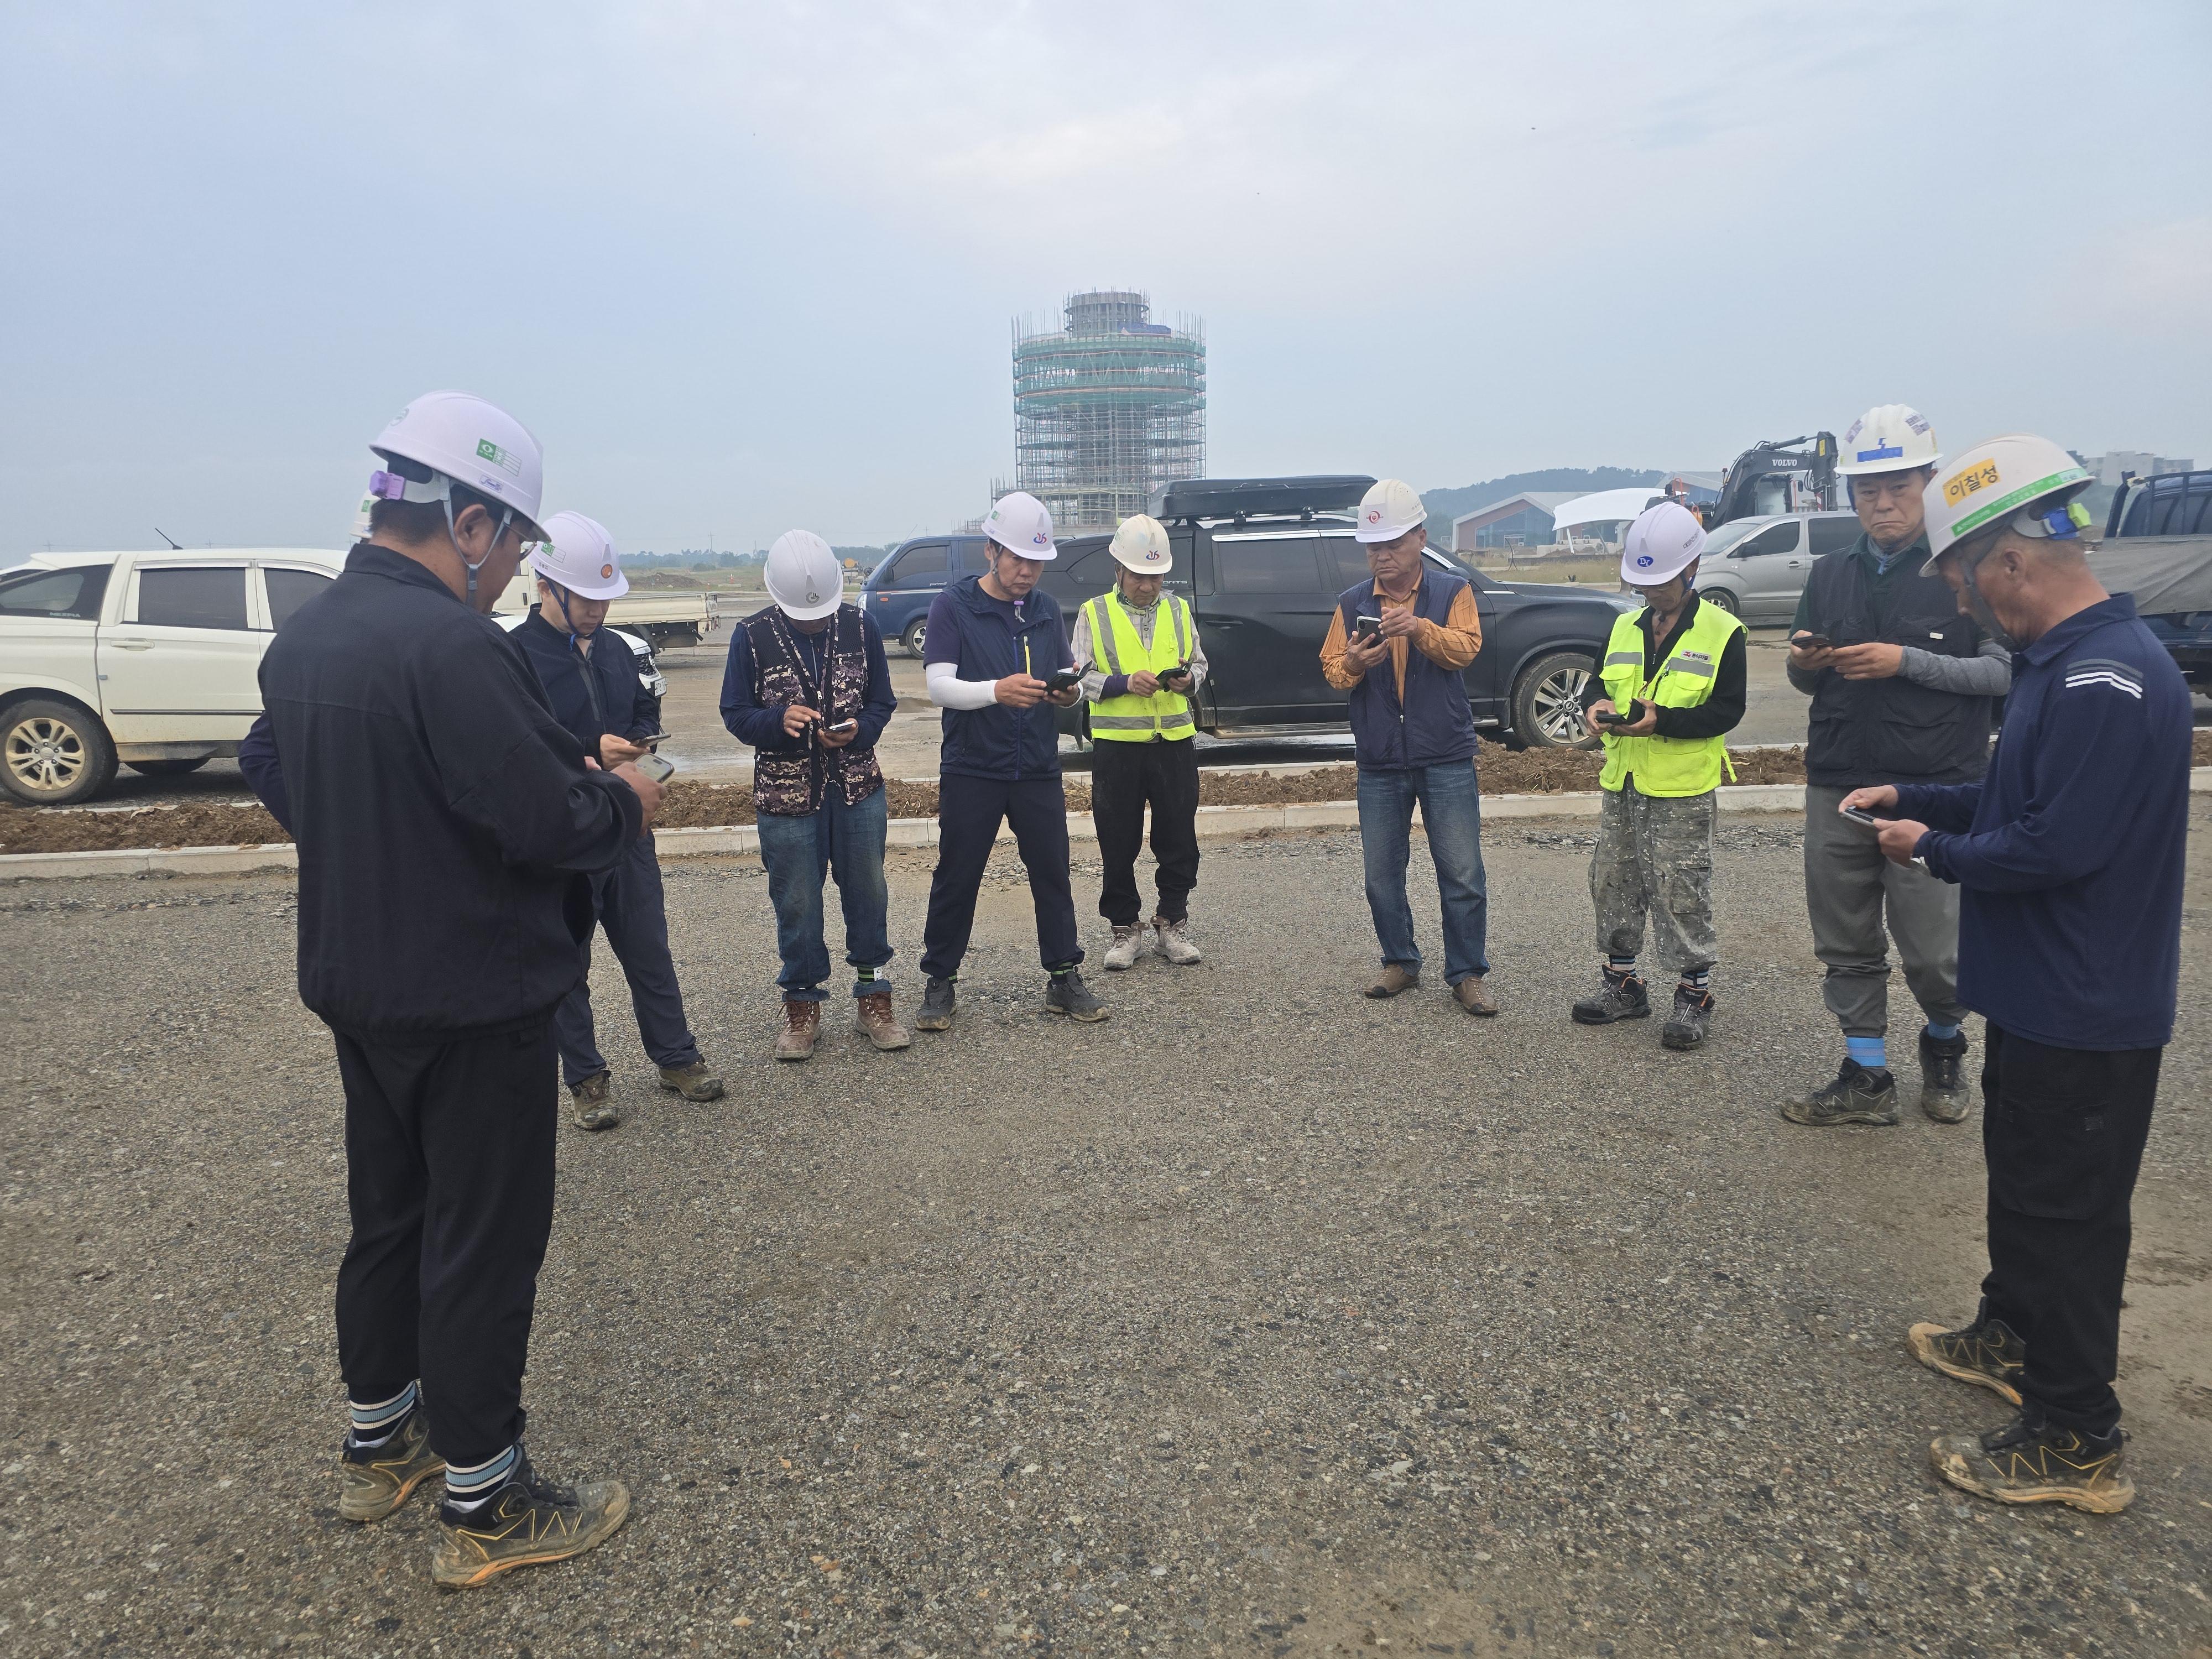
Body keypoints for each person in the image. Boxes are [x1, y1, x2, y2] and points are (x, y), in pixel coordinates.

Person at [257, 392, 651, 1586]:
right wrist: (621, 804)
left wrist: (383, 836)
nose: (516, 568)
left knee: (392, 1218)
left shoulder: (309, 638)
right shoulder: (453, 646)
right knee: (482, 1242)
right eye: (517, 542)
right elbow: (546, 821)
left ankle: (383, 1443)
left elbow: (279, 767)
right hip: (475, 997)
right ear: (470, 524)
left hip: (362, 985)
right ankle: (487, 1503)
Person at [1845, 435, 2190, 1514]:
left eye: (1961, 579)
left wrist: (1930, 851)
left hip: (2086, 1006)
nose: (1962, 601)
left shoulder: (2104, 679)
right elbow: (2018, 802)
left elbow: (2053, 846)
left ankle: (2075, 1436)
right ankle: (2010, 1334)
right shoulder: (2060, 664)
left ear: (2008, 560)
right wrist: (1915, 797)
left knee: (2070, 1219)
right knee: (2027, 1188)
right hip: (2043, 997)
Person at [1780, 403, 2011, 1128]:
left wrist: (1904, 661)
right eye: (1867, 491)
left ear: (1929, 483)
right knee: (1844, 939)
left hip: (1934, 788)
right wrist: (1805, 662)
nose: (1882, 504)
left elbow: (2003, 673)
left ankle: (1944, 1042)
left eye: (1898, 488)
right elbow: (1803, 680)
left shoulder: (1963, 569)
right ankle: (1867, 1074)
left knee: (1937, 952)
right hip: (1839, 780)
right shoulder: (1831, 573)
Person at [510, 513, 723, 1128]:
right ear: (546, 585)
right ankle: (586, 1079)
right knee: (568, 962)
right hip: (565, 835)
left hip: (627, 829)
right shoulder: (514, 657)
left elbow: (640, 715)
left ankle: (676, 1057)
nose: (598, 610)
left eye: (605, 598)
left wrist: (642, 747)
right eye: (586, 598)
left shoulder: (616, 650)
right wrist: (586, 750)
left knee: (648, 947)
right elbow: (518, 748)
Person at [913, 491, 1100, 1029]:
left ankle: (1063, 976)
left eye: (1037, 562)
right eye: (1018, 559)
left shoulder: (1045, 609)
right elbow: (939, 686)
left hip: (1036, 764)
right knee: (958, 874)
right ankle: (940, 981)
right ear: (991, 551)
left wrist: (1069, 694)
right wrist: (996, 691)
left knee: (1052, 871)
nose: (1028, 572)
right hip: (973, 765)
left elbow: (1067, 676)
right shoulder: (953, 606)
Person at [719, 529, 904, 1060]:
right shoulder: (751, 636)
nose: (816, 623)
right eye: (805, 617)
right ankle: (802, 1004)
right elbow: (736, 713)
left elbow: (882, 702)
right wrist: (778, 721)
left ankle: (873, 995)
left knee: (868, 891)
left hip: (857, 789)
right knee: (797, 899)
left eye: (822, 614)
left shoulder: (861, 626)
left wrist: (860, 730)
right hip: (786, 797)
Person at [1569, 502, 1746, 1049]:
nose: (1651, 593)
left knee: (1681, 889)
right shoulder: (1625, 626)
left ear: (1691, 568)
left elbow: (1727, 710)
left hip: (1681, 788)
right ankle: (1622, 984)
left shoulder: (1723, 632)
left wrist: (1661, 721)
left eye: (1661, 583)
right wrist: (1596, 706)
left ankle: (1694, 995)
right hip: (1623, 781)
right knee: (1613, 881)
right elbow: (1598, 683)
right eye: (1643, 584)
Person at [1319, 478, 1497, 1014]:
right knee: (1380, 875)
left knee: (1462, 873)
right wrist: (1355, 662)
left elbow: (1466, 649)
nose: (1382, 556)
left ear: (1421, 538)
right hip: (1380, 758)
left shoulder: (1453, 592)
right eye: (1373, 547)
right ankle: (1399, 960)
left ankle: (1467, 973)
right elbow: (1332, 670)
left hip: (1444, 753)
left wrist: (1418, 629)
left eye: (1393, 544)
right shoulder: (1351, 603)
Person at [1071, 513, 1209, 969]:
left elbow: (1200, 664)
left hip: (1174, 742)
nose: (1148, 586)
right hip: (1118, 746)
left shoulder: (1179, 610)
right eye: (1138, 576)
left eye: (1156, 576)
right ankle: (1124, 929)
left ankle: (1172, 922)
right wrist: (1124, 684)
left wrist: (1188, 681)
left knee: (1179, 838)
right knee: (1117, 840)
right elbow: (1078, 678)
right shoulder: (1094, 613)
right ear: (1118, 570)